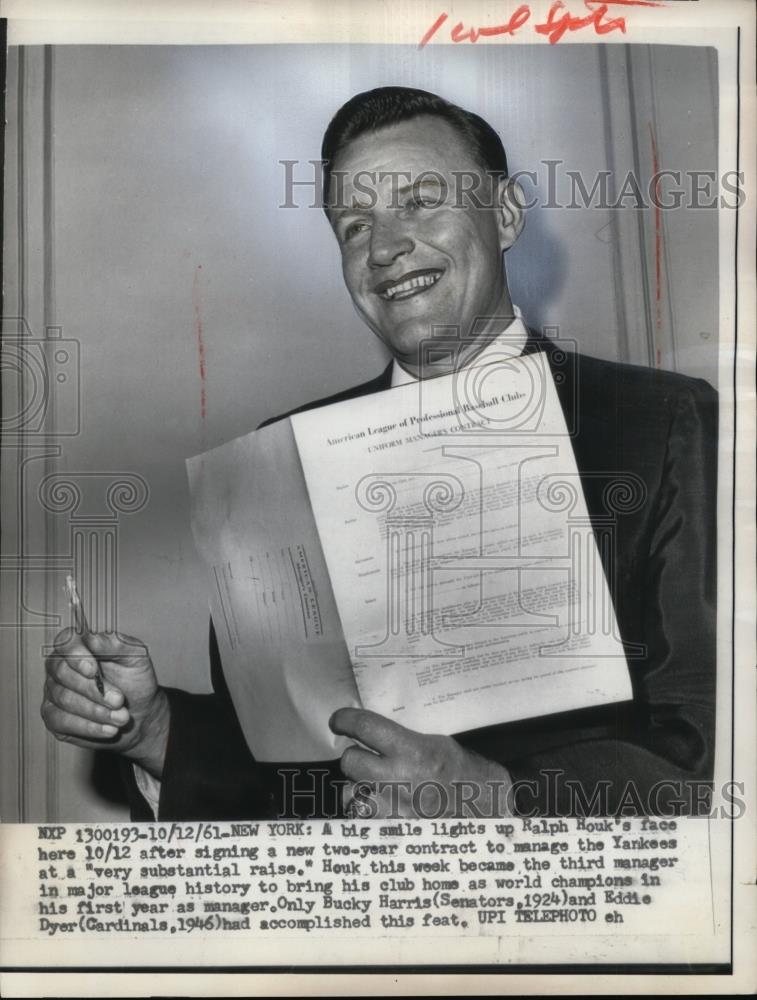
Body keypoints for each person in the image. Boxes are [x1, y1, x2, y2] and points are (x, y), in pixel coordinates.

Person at [41, 87, 717, 820]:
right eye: (355, 225)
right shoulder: (279, 462)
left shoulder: (660, 422)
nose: (385, 247)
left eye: (421, 200)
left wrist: (496, 796)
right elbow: (278, 774)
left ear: (507, 215)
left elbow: (712, 746)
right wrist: (156, 731)